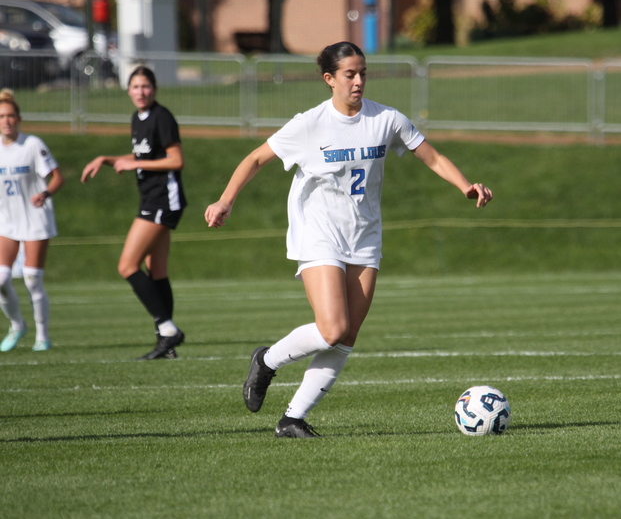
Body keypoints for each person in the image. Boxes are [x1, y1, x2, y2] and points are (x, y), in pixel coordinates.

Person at [205, 42, 492, 438]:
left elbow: (433, 157)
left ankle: (292, 419)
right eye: (349, 74)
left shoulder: (387, 119)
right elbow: (256, 158)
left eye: (362, 73)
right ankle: (268, 360)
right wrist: (225, 200)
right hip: (319, 233)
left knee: (347, 335)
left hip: (365, 235)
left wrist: (465, 186)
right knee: (332, 327)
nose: (358, 81)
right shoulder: (310, 124)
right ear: (329, 79)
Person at [81, 66, 187, 360]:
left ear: (154, 89)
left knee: (127, 265)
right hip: (153, 199)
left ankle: (167, 330)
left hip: (162, 201)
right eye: (135, 87)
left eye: (146, 86)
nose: (141, 92)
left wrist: (133, 165)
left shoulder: (161, 117)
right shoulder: (137, 118)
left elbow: (175, 160)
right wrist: (108, 159)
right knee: (157, 271)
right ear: (128, 90)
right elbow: (143, 156)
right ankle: (166, 344)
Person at [0, 89, 65, 352]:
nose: (6, 120)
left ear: (19, 118)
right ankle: (17, 325)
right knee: (2, 279)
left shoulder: (32, 144)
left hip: (35, 220)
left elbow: (57, 177)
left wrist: (45, 192)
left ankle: (42, 336)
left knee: (31, 279)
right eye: (2, 116)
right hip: (7, 221)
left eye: (11, 116)